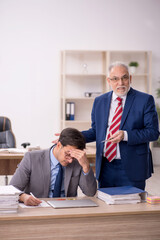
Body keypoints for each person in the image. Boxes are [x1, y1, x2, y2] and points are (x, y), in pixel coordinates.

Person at [82, 61, 159, 190]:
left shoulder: (145, 100)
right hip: (105, 166)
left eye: (124, 78)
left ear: (130, 78)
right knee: (106, 207)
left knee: (133, 207)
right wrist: (70, 138)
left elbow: (153, 132)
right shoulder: (99, 101)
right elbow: (96, 131)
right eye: (115, 79)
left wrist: (125, 135)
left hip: (133, 166)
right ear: (109, 81)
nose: (121, 83)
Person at [10, 128, 97, 206]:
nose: (70, 160)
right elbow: (12, 189)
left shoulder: (78, 161)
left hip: (67, 210)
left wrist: (86, 166)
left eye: (73, 157)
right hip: (38, 208)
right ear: (58, 145)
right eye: (67, 154)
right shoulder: (31, 158)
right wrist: (23, 197)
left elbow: (90, 193)